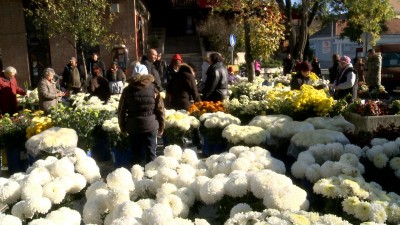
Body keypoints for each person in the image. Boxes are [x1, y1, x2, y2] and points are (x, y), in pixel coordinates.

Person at [118, 63, 165, 165]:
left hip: (133, 126)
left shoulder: (127, 90)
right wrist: (161, 126)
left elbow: (121, 110)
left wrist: (122, 126)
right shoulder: (153, 89)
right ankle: (151, 177)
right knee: (151, 153)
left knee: (136, 155)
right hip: (150, 125)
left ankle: (137, 176)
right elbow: (160, 109)